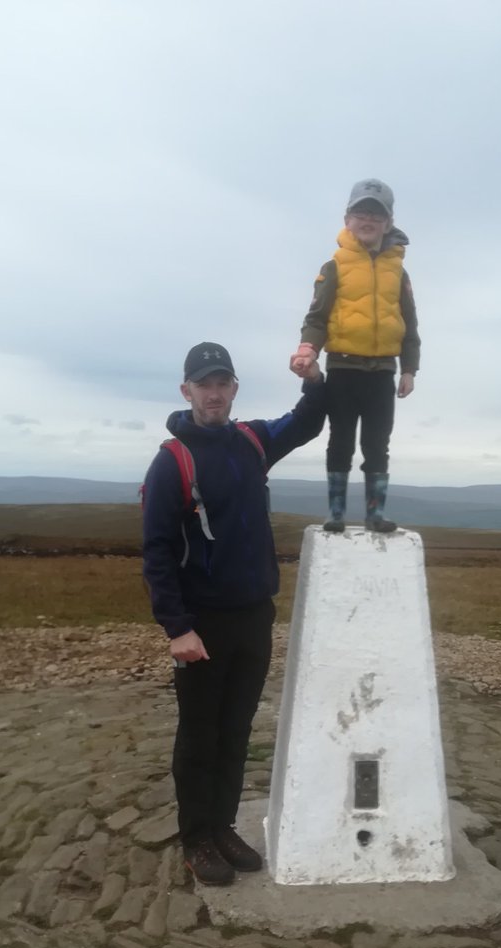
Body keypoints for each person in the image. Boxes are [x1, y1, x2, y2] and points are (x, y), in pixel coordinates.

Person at [141, 342, 327, 885]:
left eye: (222, 383)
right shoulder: (172, 461)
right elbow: (156, 551)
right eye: (204, 384)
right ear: (187, 391)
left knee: (237, 728)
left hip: (253, 615)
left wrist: (315, 380)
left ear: (234, 389)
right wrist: (177, 627)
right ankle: (196, 837)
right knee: (200, 732)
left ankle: (222, 825)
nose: (214, 393)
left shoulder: (253, 440)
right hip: (202, 623)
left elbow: (306, 422)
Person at [290, 178, 420, 534]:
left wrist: (409, 369)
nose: (368, 220)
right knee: (341, 441)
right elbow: (316, 317)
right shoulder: (334, 266)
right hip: (343, 366)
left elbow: (409, 323)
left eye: (376, 214)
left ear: (388, 222)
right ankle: (336, 514)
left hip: (383, 371)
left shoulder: (399, 272)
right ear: (347, 219)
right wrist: (307, 349)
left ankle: (375, 515)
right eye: (361, 212)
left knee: (377, 444)